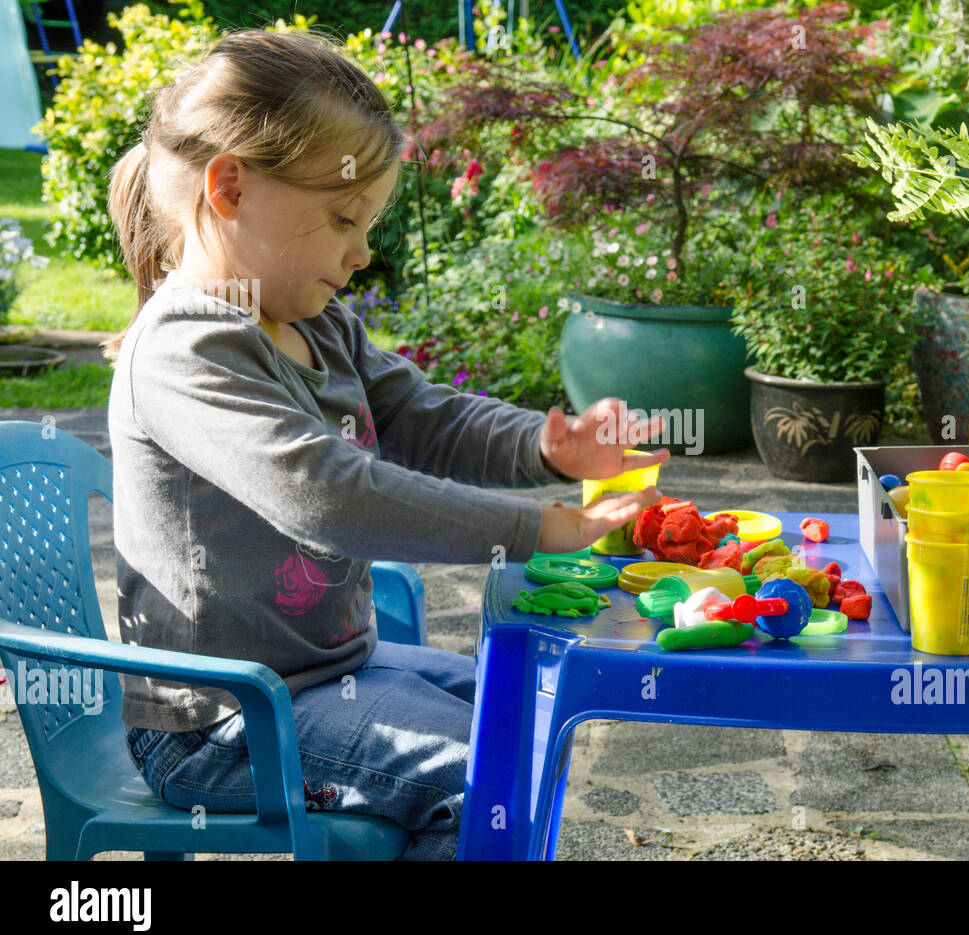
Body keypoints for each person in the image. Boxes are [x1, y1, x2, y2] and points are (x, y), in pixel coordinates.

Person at [105, 28, 666, 860]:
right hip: (222, 721)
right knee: (485, 768)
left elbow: (420, 414)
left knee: (519, 707)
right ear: (230, 188)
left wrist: (551, 448)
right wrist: (534, 529)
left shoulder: (316, 324)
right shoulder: (185, 348)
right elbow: (326, 495)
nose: (363, 255)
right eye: (342, 218)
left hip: (325, 676)